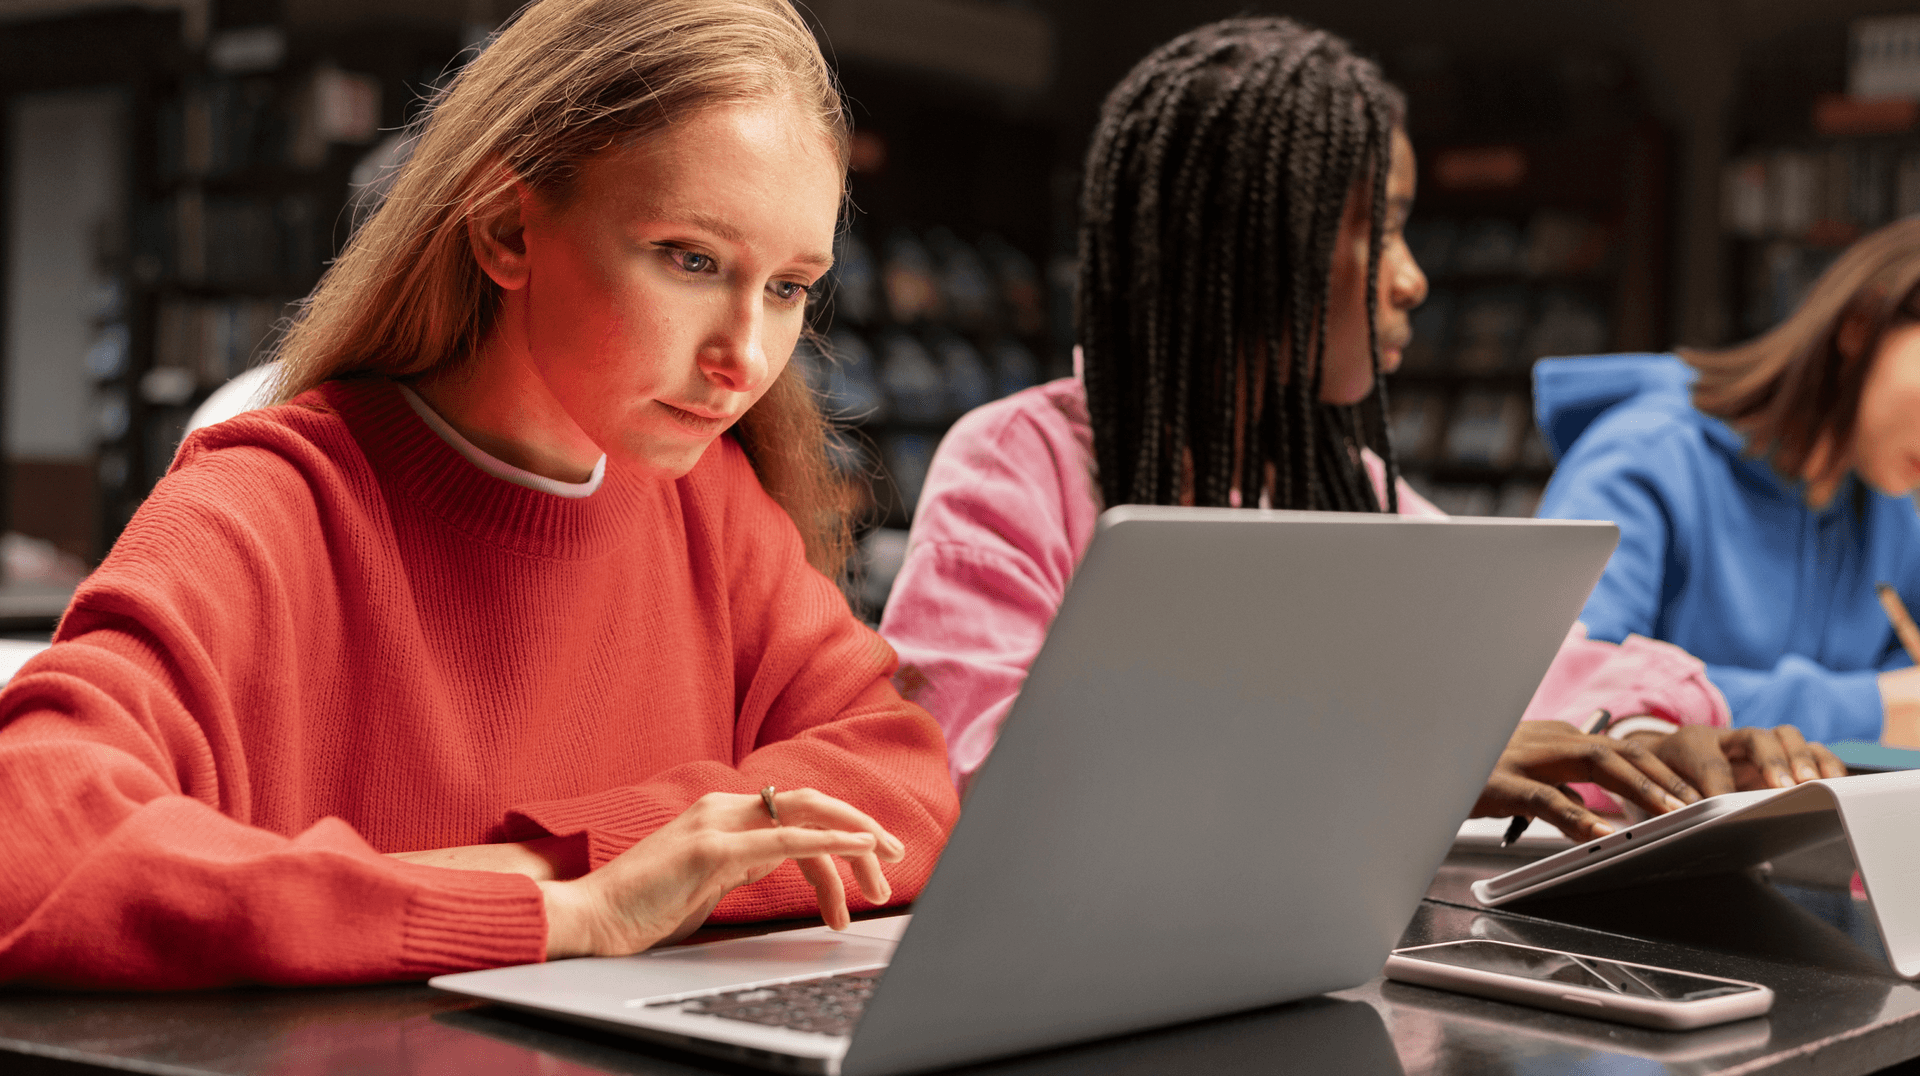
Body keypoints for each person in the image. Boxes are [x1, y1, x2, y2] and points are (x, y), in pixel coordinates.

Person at [0, 0, 958, 989]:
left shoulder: (714, 510)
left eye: (790, 287)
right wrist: (563, 908)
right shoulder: (268, 506)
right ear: (507, 230)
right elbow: (28, 843)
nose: (744, 357)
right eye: (690, 259)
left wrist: (578, 862)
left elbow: (907, 781)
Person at [878, 17, 1840, 843]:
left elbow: (1548, 667)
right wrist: (1411, 759)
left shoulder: (1344, 483)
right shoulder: (1019, 463)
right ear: (1253, 244)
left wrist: (1636, 742)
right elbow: (979, 777)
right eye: (1382, 227)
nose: (1413, 278)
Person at [1535, 218, 1920, 747]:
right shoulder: (1647, 460)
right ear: (1860, 324)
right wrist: (1867, 707)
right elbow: (1565, 694)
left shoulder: (1890, 504)